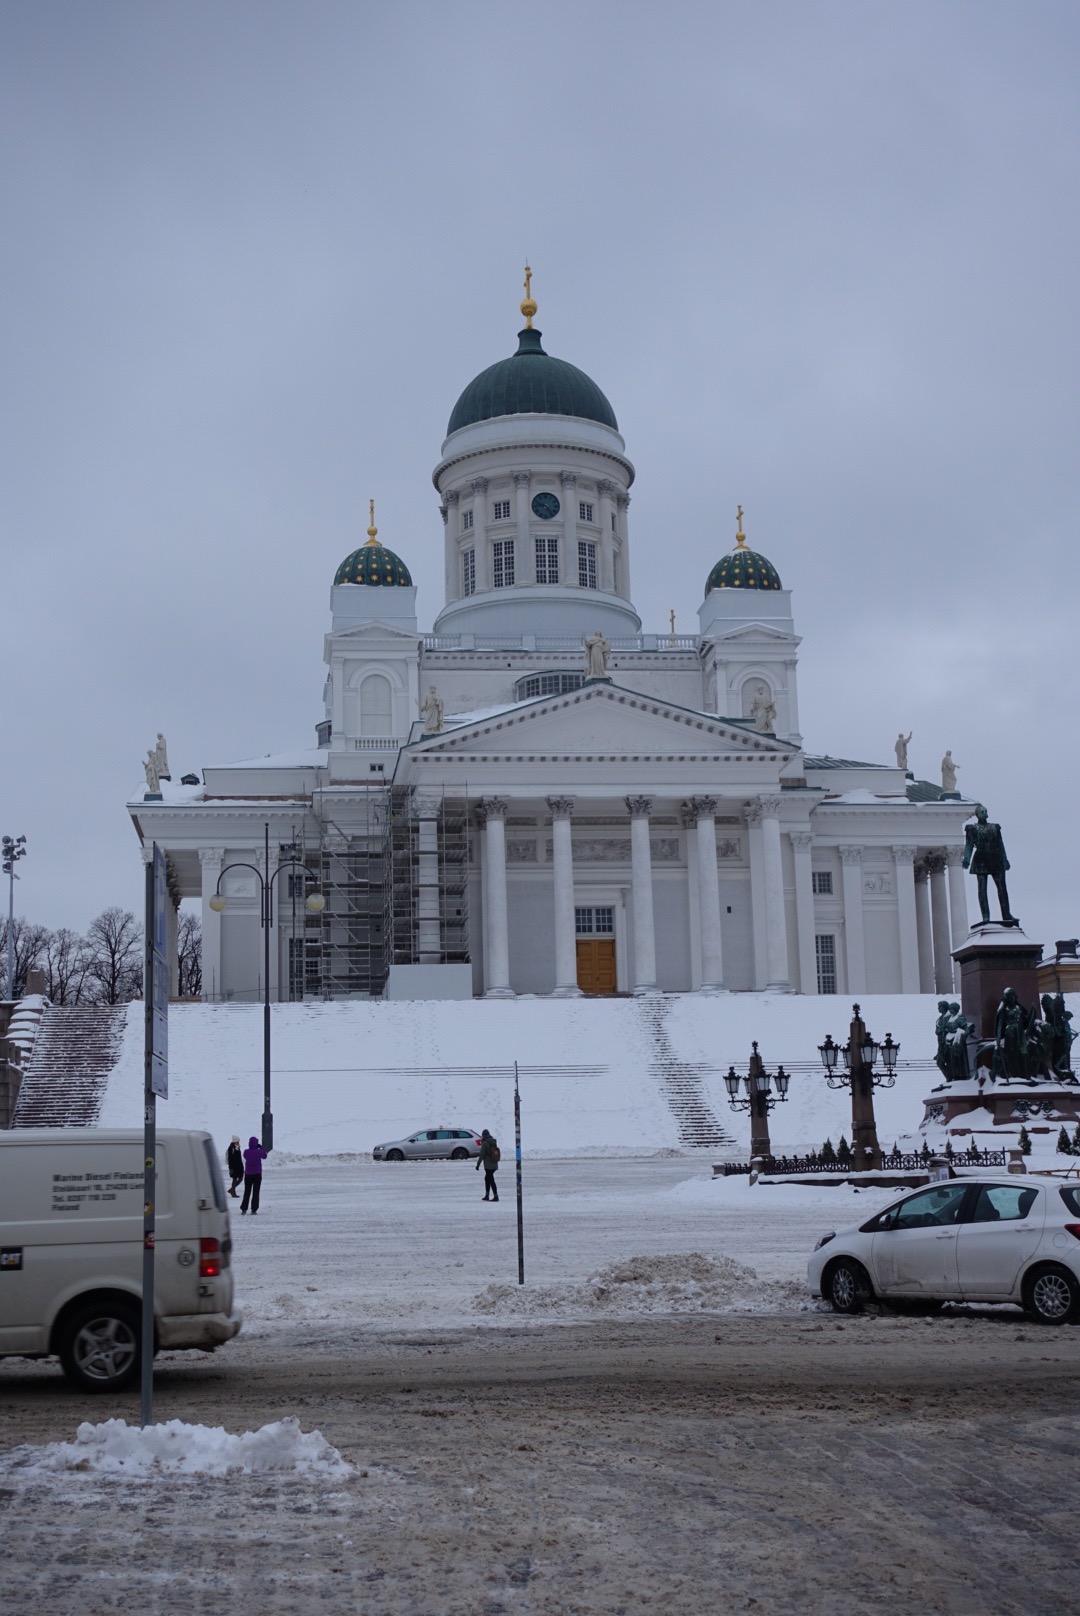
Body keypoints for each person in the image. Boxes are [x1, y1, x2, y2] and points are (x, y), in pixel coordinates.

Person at [240, 1134, 268, 1214]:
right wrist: (261, 1148)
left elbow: (245, 1156)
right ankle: (254, 1209)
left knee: (247, 1192)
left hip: (248, 1174)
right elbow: (265, 1156)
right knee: (256, 1192)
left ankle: (244, 1208)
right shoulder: (259, 1152)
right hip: (257, 1174)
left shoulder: (246, 1152)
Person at [476, 1129, 501, 1202]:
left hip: (488, 1165)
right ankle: (487, 1195)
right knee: (487, 1179)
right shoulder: (493, 1142)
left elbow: (482, 1155)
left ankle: (495, 1196)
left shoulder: (485, 1143)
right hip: (494, 1163)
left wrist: (478, 1165)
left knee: (490, 1180)